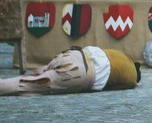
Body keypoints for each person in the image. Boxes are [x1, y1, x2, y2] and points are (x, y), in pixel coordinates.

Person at [0, 46, 141, 96]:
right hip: (81, 73)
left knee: (36, 73)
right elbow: (109, 87)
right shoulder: (132, 79)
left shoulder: (121, 55)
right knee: (29, 84)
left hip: (75, 54)